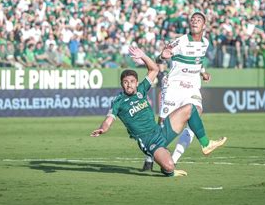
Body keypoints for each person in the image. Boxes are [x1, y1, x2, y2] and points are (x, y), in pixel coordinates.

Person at [91, 46, 227, 177]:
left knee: (190, 108)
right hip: (148, 141)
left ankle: (206, 144)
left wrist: (143, 56)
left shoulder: (141, 90)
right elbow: (108, 120)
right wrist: (102, 129)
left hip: (160, 131)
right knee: (169, 167)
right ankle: (166, 168)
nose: (129, 84)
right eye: (125, 82)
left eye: (132, 81)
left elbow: (154, 69)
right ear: (122, 84)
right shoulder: (118, 101)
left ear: (137, 83)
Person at [142, 11, 213, 171]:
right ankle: (149, 157)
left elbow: (199, 59)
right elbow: (164, 54)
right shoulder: (180, 42)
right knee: (162, 124)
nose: (195, 21)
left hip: (192, 88)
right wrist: (163, 55)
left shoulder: (205, 43)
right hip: (174, 86)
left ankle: (173, 159)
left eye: (198, 20)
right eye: (192, 19)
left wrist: (203, 72)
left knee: (196, 114)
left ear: (204, 25)